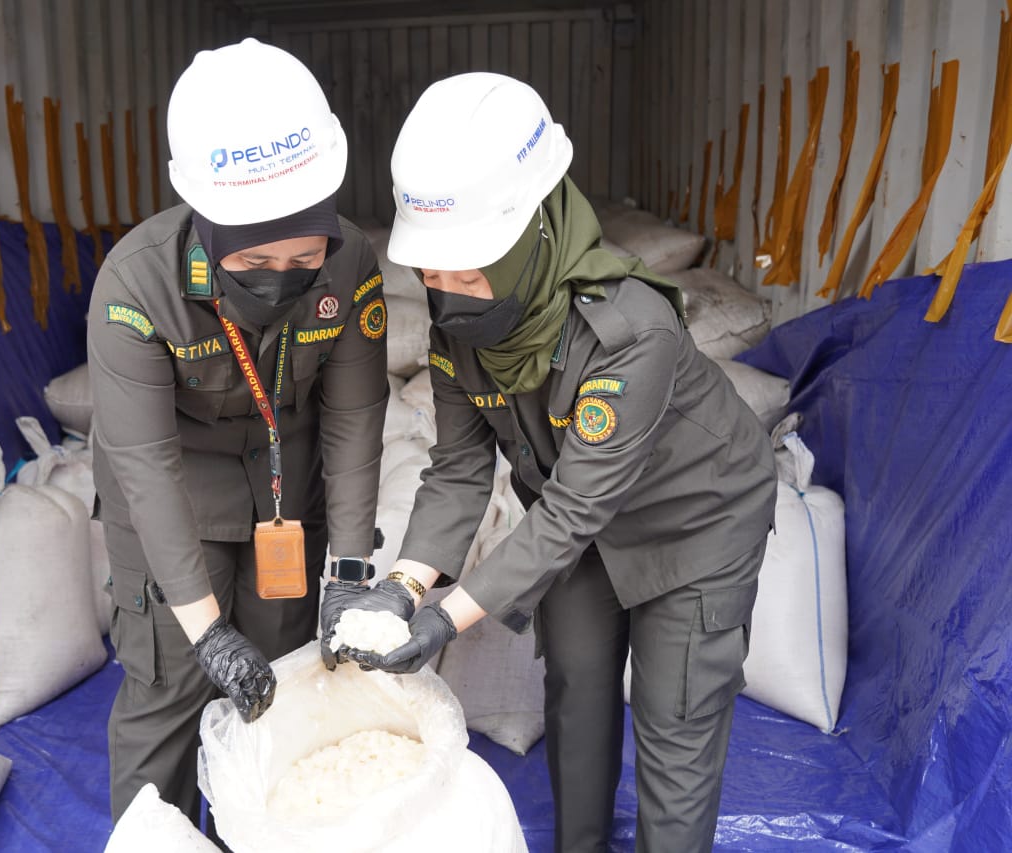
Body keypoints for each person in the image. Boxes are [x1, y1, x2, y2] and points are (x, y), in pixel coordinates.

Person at [342, 72, 778, 853]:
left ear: (528, 233)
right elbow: (459, 468)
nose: (449, 296)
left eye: (469, 270)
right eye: (431, 274)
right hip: (572, 525)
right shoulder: (459, 325)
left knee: (674, 719)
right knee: (575, 690)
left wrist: (444, 619)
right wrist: (401, 588)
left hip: (693, 523)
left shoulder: (629, 329)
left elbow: (577, 508)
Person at [87, 38, 390, 825]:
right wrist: (206, 631)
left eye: (304, 254)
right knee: (171, 689)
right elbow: (144, 465)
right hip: (176, 499)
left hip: (286, 492)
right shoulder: (135, 286)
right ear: (210, 228)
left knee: (283, 684)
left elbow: (354, 416)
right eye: (255, 260)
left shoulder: (352, 260)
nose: (284, 276)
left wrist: (348, 572)